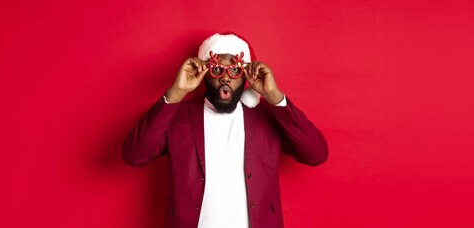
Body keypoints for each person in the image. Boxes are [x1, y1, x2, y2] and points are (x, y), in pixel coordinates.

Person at [122, 32, 328, 228]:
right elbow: (134, 155)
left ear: (245, 74)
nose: (226, 78)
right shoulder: (178, 116)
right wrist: (176, 92)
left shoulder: (267, 116)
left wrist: (274, 95)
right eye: (217, 69)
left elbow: (316, 154)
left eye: (235, 70)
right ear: (204, 73)